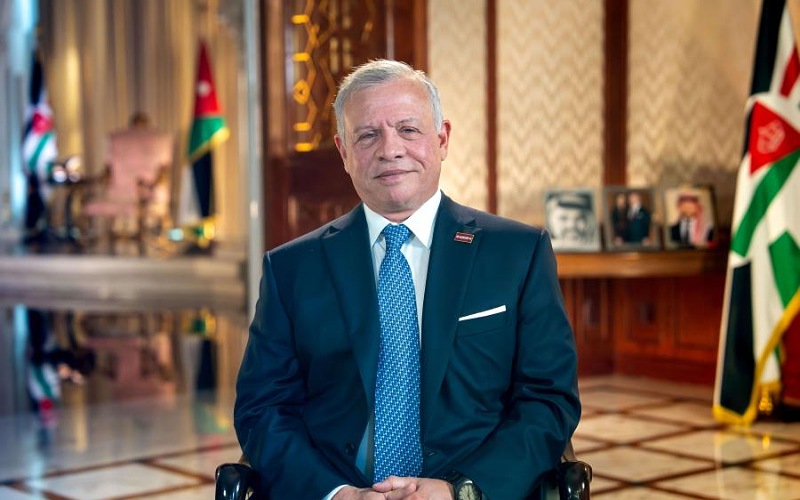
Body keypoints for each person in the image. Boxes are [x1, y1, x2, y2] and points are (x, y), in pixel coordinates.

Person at [234, 59, 581, 500]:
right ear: (343, 152)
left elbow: (548, 400)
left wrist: (461, 491)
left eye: (408, 129)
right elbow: (263, 407)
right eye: (367, 135)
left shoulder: (518, 253)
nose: (390, 149)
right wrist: (336, 493)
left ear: (442, 139)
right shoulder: (290, 268)